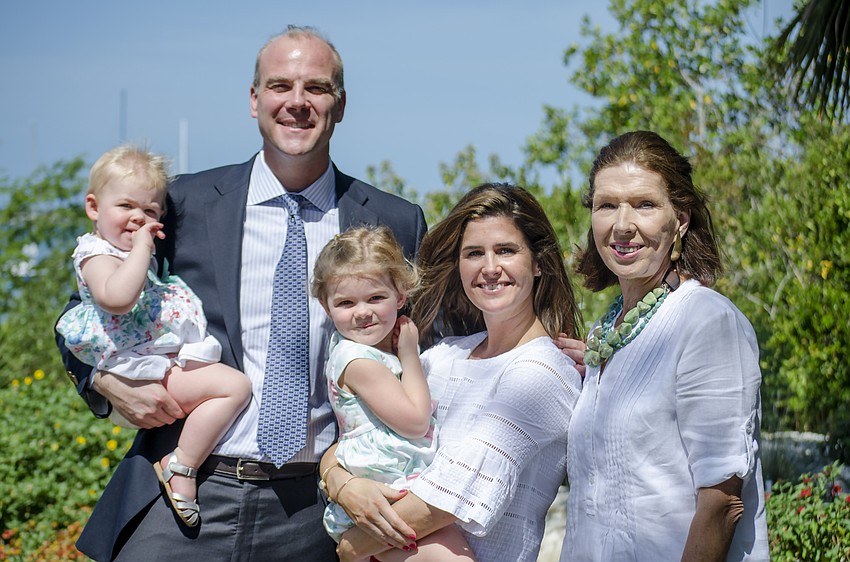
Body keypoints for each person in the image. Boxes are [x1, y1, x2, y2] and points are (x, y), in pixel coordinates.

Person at [56, 25, 426, 561]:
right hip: (183, 488)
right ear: (254, 100)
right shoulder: (182, 203)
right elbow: (87, 308)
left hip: (316, 509)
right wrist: (105, 381)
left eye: (316, 88)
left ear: (340, 105)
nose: (296, 102)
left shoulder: (394, 221)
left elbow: (436, 349)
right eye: (280, 86)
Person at [318, 183, 583, 562]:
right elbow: (362, 433)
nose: (489, 267)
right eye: (474, 253)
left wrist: (351, 546)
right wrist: (341, 482)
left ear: (538, 262)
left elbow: (451, 494)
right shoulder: (443, 356)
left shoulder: (542, 371)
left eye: (506, 250)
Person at [558, 131, 770, 561]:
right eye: (606, 205)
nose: (622, 224)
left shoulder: (706, 321)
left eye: (645, 204)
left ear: (681, 219)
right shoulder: (608, 333)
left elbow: (722, 504)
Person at [56, 145, 251, 528]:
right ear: (93, 207)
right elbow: (117, 298)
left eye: (149, 211)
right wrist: (143, 248)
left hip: (153, 361)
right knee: (235, 387)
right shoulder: (96, 253)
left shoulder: (131, 253)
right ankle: (182, 466)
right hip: (136, 371)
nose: (137, 218)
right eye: (125, 206)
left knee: (228, 384)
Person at [312, 225, 475, 561]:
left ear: (400, 296)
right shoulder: (357, 360)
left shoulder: (368, 352)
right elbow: (415, 422)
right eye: (345, 302)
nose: (362, 311)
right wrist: (410, 354)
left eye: (375, 298)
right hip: (387, 492)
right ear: (327, 308)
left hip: (398, 482)